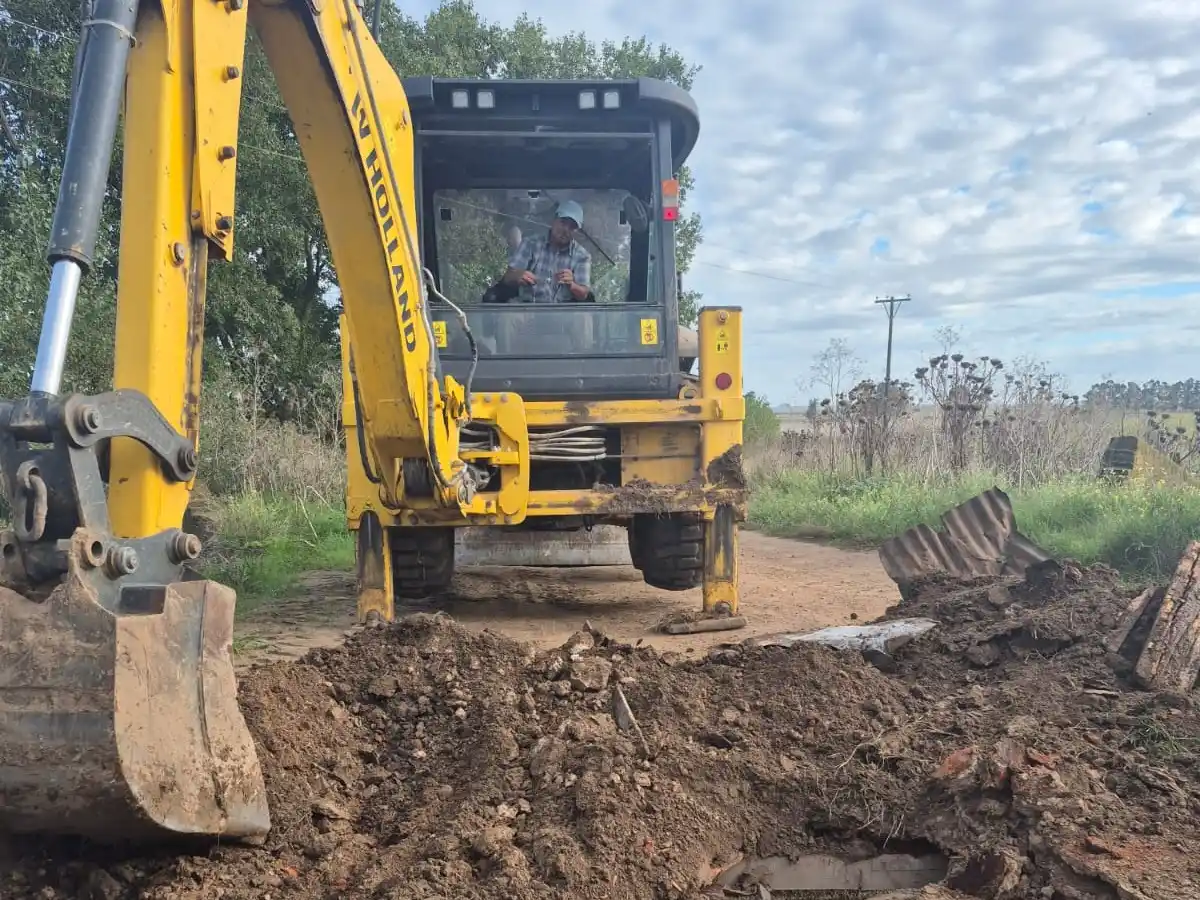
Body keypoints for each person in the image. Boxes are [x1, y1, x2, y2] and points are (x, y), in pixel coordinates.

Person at [500, 201, 592, 303]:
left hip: (564, 314)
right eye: (563, 222)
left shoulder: (582, 256)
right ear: (554, 220)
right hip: (528, 310)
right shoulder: (530, 243)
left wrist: (572, 285)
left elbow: (583, 294)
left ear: (577, 231)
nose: (566, 229)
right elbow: (508, 278)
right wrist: (518, 275)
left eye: (572, 227)